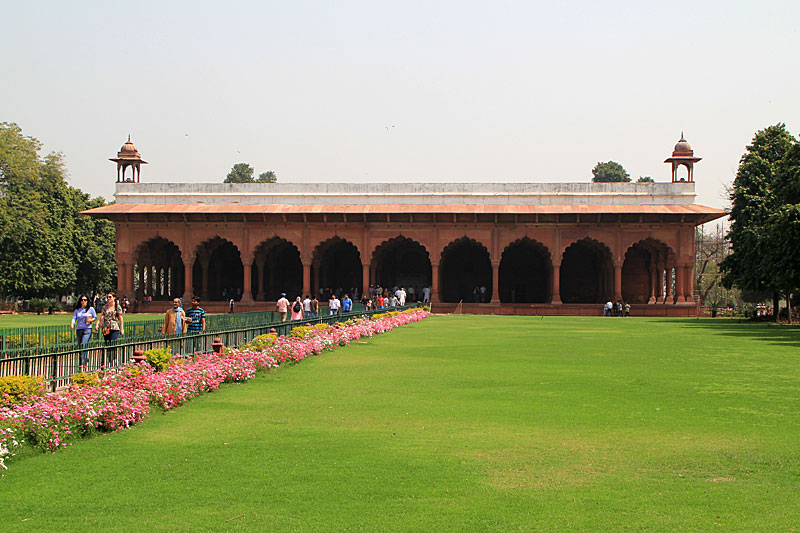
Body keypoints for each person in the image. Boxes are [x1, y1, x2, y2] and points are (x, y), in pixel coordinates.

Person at [71, 295, 96, 368]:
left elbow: (95, 317)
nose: (83, 302)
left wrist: (91, 320)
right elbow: (74, 318)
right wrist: (72, 324)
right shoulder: (77, 310)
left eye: (85, 300)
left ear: (87, 301)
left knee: (83, 344)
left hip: (87, 329)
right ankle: (84, 358)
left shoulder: (90, 309)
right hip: (79, 329)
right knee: (80, 345)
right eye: (82, 300)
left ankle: (82, 362)